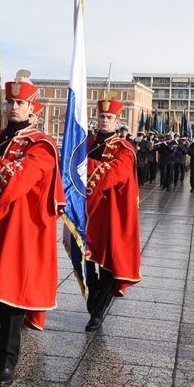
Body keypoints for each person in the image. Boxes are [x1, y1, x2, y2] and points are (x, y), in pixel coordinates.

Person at [0, 71, 65, 387]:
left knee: (10, 297)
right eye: (10, 101)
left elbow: (25, 173)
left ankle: (7, 364)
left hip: (21, 231)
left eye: (20, 102)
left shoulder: (42, 144)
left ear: (32, 110)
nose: (13, 107)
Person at [84, 94, 142, 330]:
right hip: (89, 211)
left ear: (117, 119)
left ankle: (98, 312)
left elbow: (115, 173)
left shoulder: (124, 148)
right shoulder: (87, 144)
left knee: (109, 262)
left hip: (111, 214)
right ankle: (94, 296)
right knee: (85, 258)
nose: (104, 120)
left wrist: (82, 167)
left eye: (109, 117)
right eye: (101, 116)